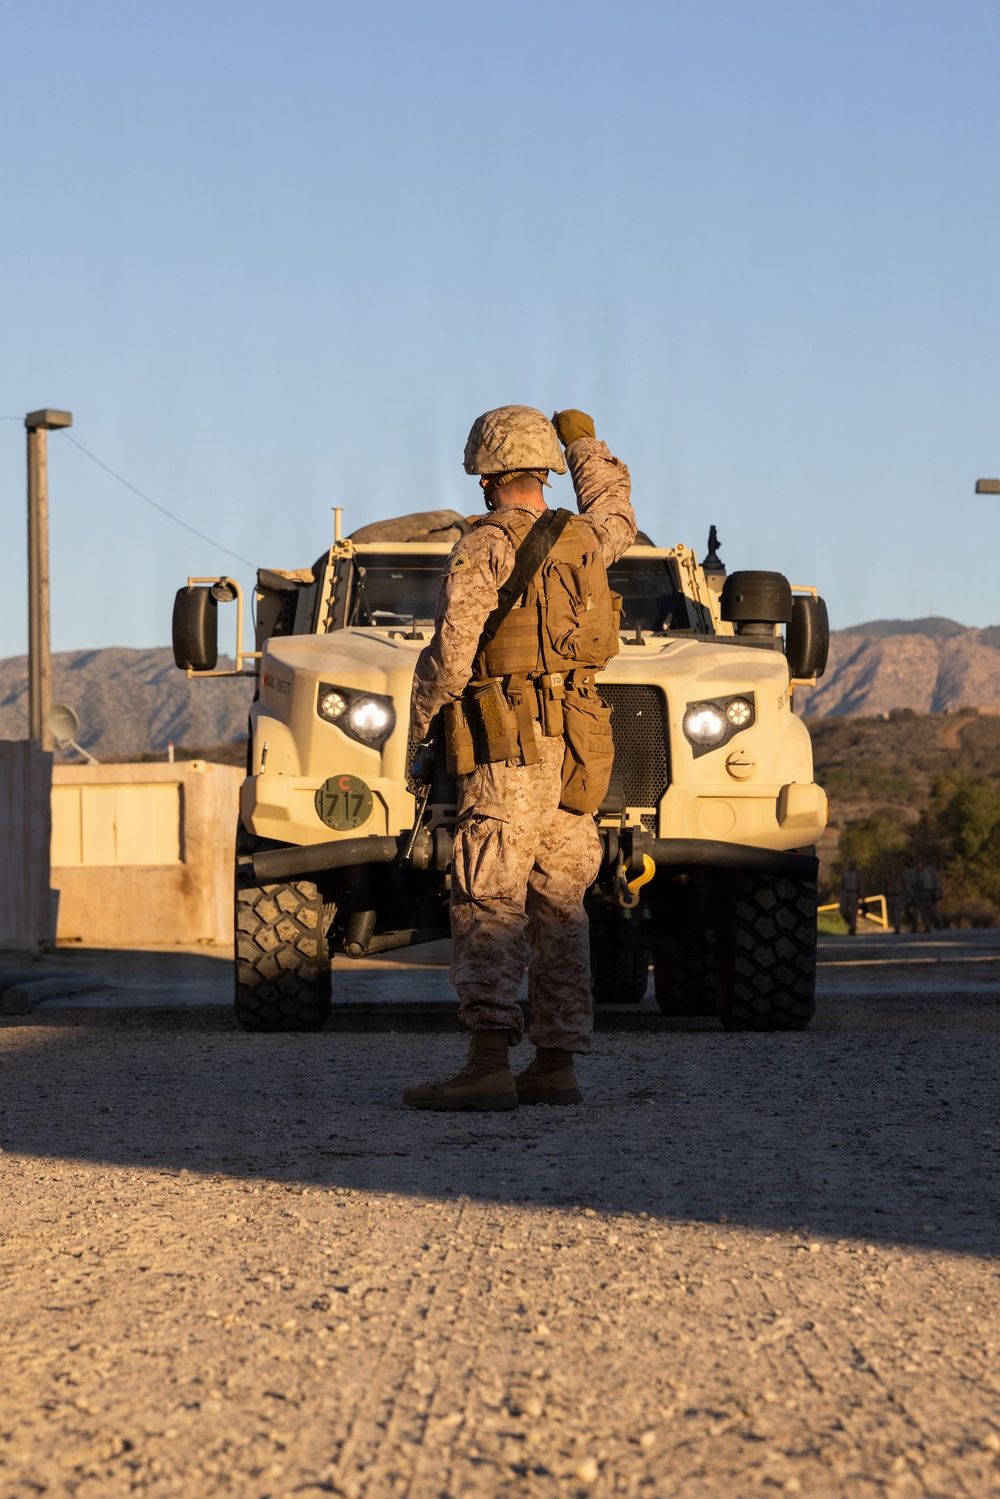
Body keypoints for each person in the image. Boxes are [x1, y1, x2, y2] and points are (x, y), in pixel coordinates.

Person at [403, 405, 636, 1111]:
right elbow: (617, 508)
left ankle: (486, 1063)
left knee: (488, 896)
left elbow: (451, 656)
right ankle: (557, 1061)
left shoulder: (487, 547)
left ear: (485, 476)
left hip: (510, 744)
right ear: (544, 470)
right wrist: (584, 443)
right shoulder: (589, 538)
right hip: (579, 746)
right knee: (561, 902)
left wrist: (419, 732)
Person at [839, 858, 865, 935]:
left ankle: (852, 928)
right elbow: (841, 883)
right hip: (845, 892)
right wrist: (840, 893)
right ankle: (849, 921)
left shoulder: (858, 873)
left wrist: (862, 895)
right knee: (842, 910)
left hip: (854, 893)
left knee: (853, 912)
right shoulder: (845, 872)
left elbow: (861, 884)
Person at [884, 865, 905, 934]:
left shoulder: (900, 875)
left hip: (898, 895)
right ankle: (894, 925)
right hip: (890, 896)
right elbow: (885, 886)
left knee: (897, 912)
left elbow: (905, 884)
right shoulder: (887, 876)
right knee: (891, 912)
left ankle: (897, 927)